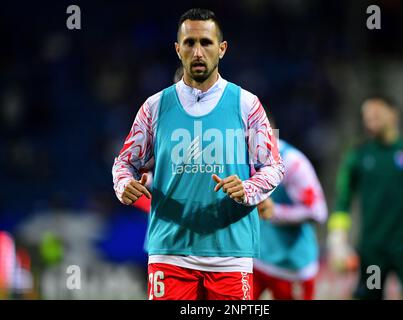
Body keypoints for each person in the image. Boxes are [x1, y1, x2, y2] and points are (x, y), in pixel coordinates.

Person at [112, 8, 284, 300]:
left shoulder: (247, 104)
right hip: (171, 251)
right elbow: (125, 162)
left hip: (230, 252)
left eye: (205, 42)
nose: (198, 51)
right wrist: (123, 184)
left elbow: (273, 166)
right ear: (178, 50)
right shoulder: (154, 107)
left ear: (222, 48)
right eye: (190, 43)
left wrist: (247, 188)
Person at [327, 96, 403, 300]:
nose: (369, 118)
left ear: (393, 114)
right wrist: (337, 240)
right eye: (365, 115)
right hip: (373, 252)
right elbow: (342, 202)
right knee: (370, 294)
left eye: (375, 113)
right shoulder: (358, 156)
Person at [253, 115, 328, 300]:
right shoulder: (241, 160)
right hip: (256, 260)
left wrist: (276, 212)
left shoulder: (293, 164)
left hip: (291, 268)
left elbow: (318, 212)